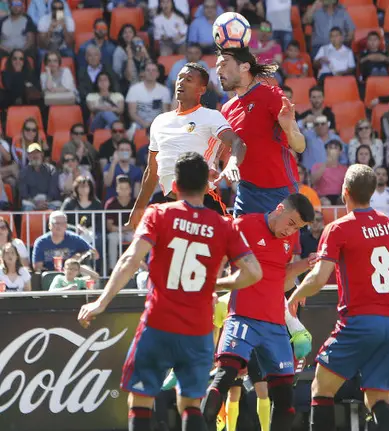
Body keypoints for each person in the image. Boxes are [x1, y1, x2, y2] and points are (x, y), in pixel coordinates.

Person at [76, 152, 263, 431]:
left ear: (174, 185)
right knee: (190, 405)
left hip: (158, 324)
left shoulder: (159, 214)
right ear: (207, 187)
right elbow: (254, 272)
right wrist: (218, 284)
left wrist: (102, 301)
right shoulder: (224, 226)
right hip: (198, 331)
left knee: (140, 402)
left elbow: (130, 259)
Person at [287, 164, 389, 431]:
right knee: (377, 400)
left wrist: (293, 296)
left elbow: (319, 278)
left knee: (321, 388)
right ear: (372, 193)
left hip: (361, 321)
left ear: (345, 193)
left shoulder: (338, 228)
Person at [200, 193, 316, 431]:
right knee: (223, 378)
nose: (291, 231)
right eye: (291, 223)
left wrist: (305, 265)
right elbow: (218, 257)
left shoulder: (288, 240)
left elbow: (279, 277)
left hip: (274, 325)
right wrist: (210, 288)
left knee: (285, 400)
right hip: (242, 316)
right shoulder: (244, 225)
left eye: (299, 228)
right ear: (280, 208)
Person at [128, 62, 246, 227]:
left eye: (188, 79)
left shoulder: (211, 116)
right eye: (179, 78)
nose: (181, 82)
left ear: (202, 90)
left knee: (223, 251)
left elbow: (237, 142)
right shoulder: (160, 121)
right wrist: (139, 207)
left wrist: (233, 163)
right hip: (168, 202)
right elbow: (151, 171)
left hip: (202, 202)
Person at [216, 47, 306, 216]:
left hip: (279, 192)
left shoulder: (272, 95)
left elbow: (300, 146)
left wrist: (288, 129)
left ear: (244, 67)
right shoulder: (226, 109)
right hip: (246, 192)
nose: (218, 70)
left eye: (224, 64)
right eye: (217, 66)